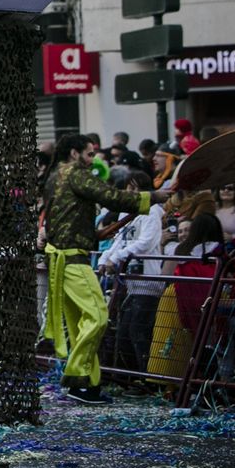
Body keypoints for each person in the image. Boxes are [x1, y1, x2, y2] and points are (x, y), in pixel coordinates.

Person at [44, 133, 169, 405]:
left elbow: (68, 219)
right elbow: (111, 196)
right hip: (71, 260)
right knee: (99, 317)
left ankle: (88, 386)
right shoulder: (74, 173)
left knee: (81, 325)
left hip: (62, 258)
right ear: (75, 154)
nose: (92, 160)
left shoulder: (56, 175)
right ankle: (78, 376)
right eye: (89, 154)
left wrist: (94, 233)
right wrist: (154, 196)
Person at [97, 170, 163, 375]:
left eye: (136, 188)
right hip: (128, 280)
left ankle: (146, 376)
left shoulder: (152, 212)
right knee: (123, 331)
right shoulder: (126, 212)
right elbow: (120, 239)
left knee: (139, 329)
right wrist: (105, 258)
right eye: (129, 188)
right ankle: (129, 375)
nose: (132, 192)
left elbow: (145, 243)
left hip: (147, 280)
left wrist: (116, 258)